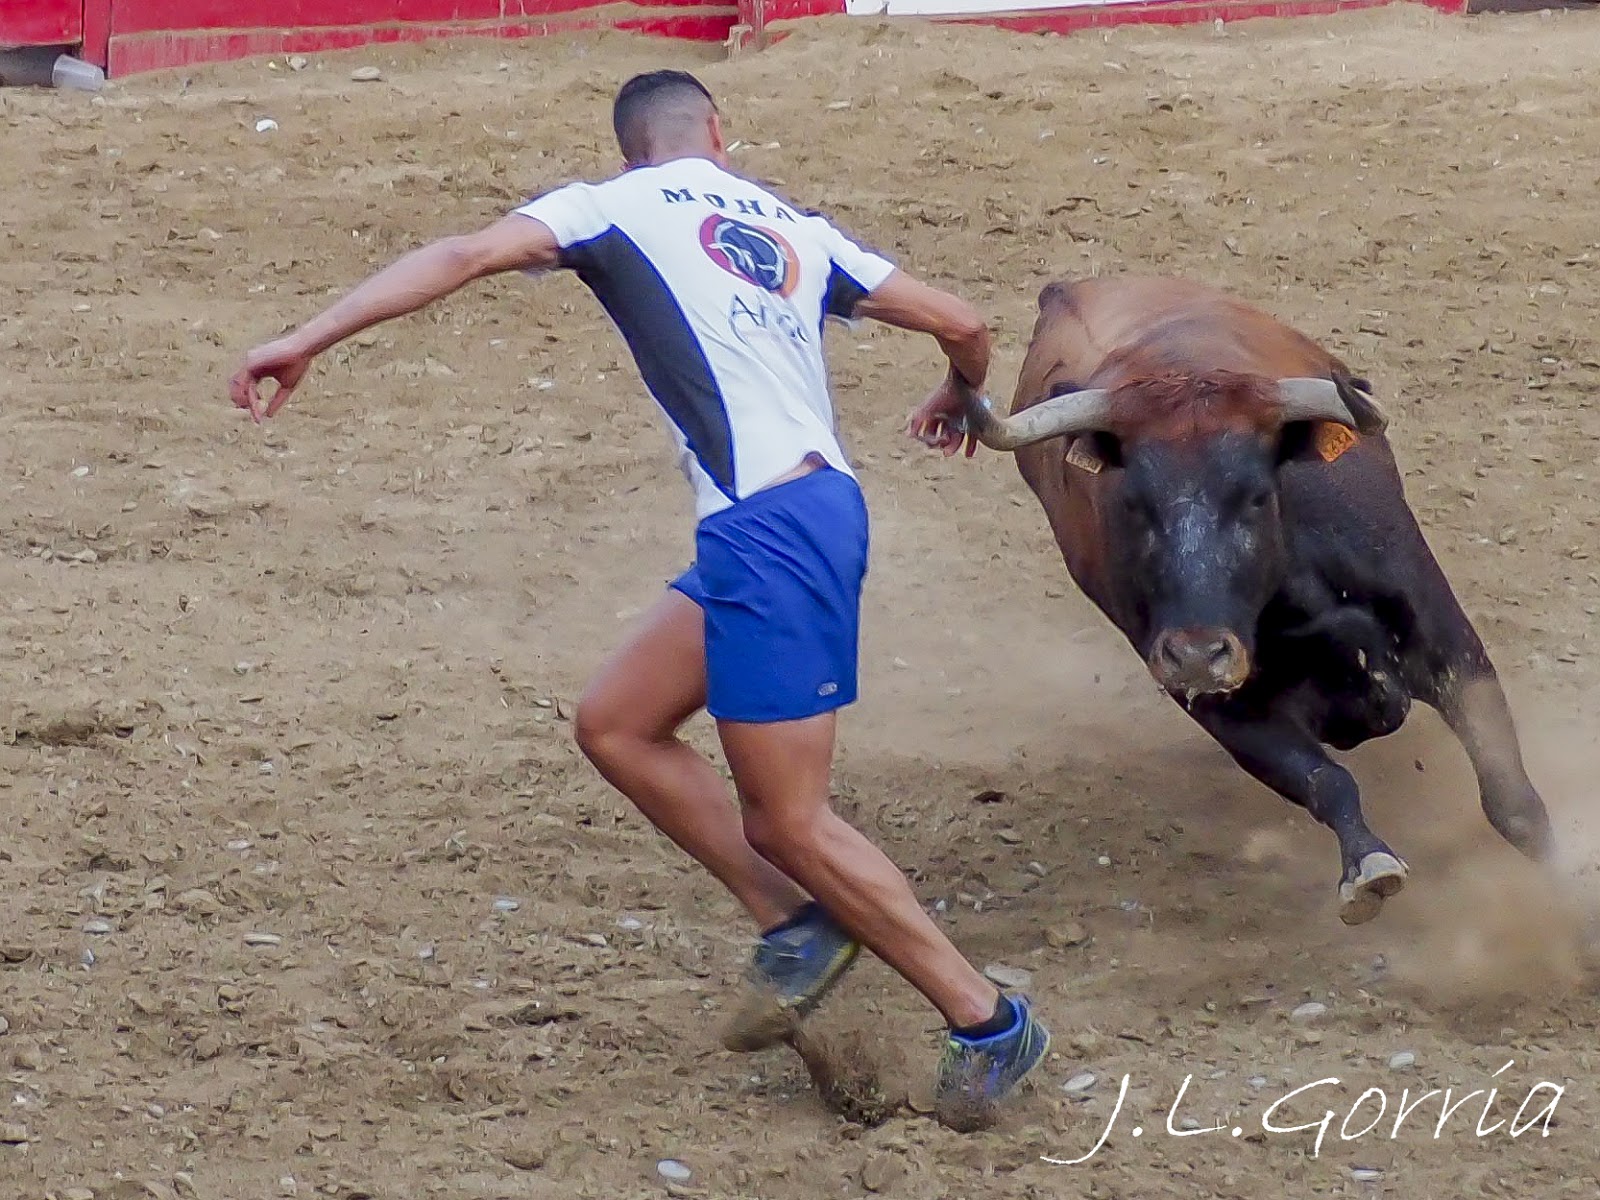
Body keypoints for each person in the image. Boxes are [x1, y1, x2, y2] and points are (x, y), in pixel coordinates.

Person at [228, 68, 1049, 1124]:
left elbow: (463, 255)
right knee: (617, 723)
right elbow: (964, 321)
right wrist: (961, 389)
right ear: (717, 131)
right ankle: (796, 925)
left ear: (630, 147)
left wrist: (308, 336)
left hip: (767, 531)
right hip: (797, 516)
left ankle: (985, 1018)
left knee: (789, 819)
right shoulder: (796, 229)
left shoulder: (608, 207)